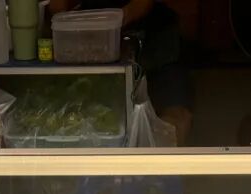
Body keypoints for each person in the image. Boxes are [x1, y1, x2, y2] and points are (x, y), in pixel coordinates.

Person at [49, 0, 192, 144]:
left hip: (155, 38)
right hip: (92, 45)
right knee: (87, 117)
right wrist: (78, 27)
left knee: (175, 119)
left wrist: (113, 22)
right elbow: (57, 8)